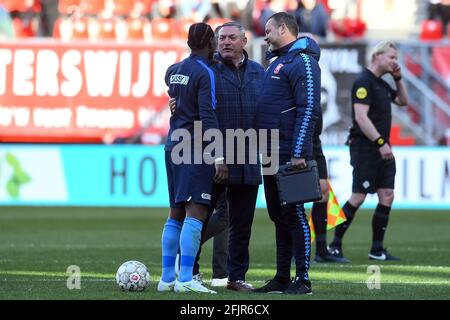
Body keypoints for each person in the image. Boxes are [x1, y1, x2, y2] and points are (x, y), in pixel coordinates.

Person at [171, 21, 264, 292]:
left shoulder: (259, 72)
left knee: (242, 221)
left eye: (231, 38)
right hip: (212, 156)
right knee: (199, 216)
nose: (225, 42)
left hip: (247, 154)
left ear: (244, 41)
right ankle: (191, 271)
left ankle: (236, 277)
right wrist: (173, 96)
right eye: (221, 38)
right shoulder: (206, 68)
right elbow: (174, 74)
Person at [157, 22, 227, 294]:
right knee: (196, 212)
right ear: (210, 43)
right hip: (194, 147)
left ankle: (166, 279)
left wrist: (175, 97)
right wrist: (219, 155)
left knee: (175, 213)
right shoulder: (204, 72)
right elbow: (208, 115)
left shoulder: (176, 70)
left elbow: (168, 78)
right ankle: (186, 277)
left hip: (172, 145)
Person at [254, 12, 321, 294]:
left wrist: (298, 152)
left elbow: (309, 109)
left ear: (283, 28)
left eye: (268, 30)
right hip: (270, 152)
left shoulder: (304, 61)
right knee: (278, 216)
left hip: (288, 153)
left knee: (294, 214)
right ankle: (282, 276)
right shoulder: (278, 62)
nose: (265, 35)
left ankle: (302, 279)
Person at [328, 41, 408, 262]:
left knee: (387, 195)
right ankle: (334, 246)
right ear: (376, 56)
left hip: (383, 147)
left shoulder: (381, 84)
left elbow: (403, 100)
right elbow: (361, 118)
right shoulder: (364, 82)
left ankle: (377, 249)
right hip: (366, 147)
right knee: (358, 196)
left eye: (396, 57)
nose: (395, 61)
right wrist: (381, 142)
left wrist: (399, 78)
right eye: (391, 57)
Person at [311, 112, 350, 263]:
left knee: (323, 192)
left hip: (315, 144)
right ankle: (294, 250)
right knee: (295, 198)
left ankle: (321, 251)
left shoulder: (314, 92)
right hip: (299, 145)